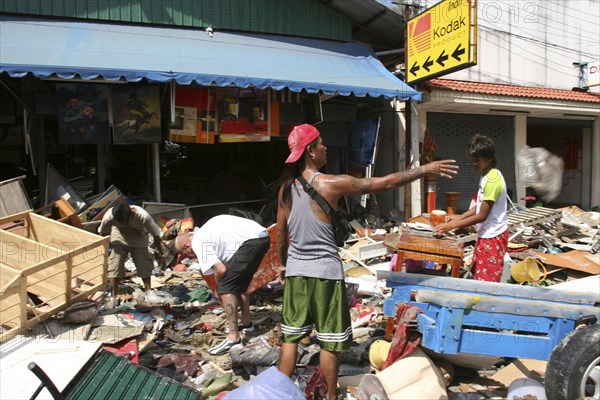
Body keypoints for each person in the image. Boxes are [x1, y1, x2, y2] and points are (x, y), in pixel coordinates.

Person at [276, 124, 459, 400]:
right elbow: (383, 183)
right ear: (311, 152)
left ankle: (277, 393)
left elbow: (280, 234)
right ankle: (330, 397)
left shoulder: (285, 190)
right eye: (321, 143)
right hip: (325, 273)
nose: (325, 147)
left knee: (290, 338)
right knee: (329, 341)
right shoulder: (329, 183)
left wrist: (282, 266)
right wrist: (424, 169)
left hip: (296, 273)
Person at [174, 215, 270, 356]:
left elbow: (220, 269)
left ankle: (233, 337)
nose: (189, 256)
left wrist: (219, 288)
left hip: (250, 242)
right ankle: (247, 324)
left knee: (226, 288)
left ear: (186, 246)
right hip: (262, 237)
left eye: (185, 253)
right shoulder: (205, 232)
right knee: (240, 285)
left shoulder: (197, 242)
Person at [433, 133, 508, 282]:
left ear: (489, 157)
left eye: (477, 160)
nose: (474, 164)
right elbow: (479, 206)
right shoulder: (486, 174)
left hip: (493, 236)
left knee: (487, 281)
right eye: (472, 161)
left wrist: (451, 225)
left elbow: (481, 215)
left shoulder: (493, 179)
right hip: (486, 233)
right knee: (479, 274)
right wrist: (460, 217)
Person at [98, 203, 165, 298]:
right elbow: (102, 233)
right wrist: (100, 252)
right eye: (121, 222)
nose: (124, 224)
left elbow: (156, 235)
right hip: (119, 236)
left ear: (132, 215)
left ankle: (148, 292)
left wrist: (161, 254)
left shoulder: (143, 216)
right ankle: (113, 296)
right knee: (115, 266)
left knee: (143, 265)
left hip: (138, 237)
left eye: (126, 222)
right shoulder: (109, 216)